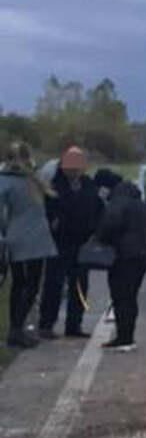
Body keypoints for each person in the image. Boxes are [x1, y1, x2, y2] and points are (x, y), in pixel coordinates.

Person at [38, 146, 102, 339]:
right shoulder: (54, 186)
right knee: (54, 284)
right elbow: (47, 209)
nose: (74, 172)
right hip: (59, 242)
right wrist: (54, 222)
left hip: (82, 242)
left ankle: (74, 324)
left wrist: (95, 230)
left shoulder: (89, 185)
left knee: (80, 286)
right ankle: (46, 324)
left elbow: (97, 208)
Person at [0, 142, 58, 349]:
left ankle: (16, 329)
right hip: (34, 238)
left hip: (17, 236)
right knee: (31, 284)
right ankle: (16, 328)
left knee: (19, 284)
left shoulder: (7, 180)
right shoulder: (34, 179)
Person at [94, 175, 146, 350]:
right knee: (131, 296)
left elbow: (108, 227)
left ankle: (124, 338)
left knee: (121, 297)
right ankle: (127, 335)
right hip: (144, 255)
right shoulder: (142, 205)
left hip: (125, 256)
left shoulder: (118, 204)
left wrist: (99, 238)